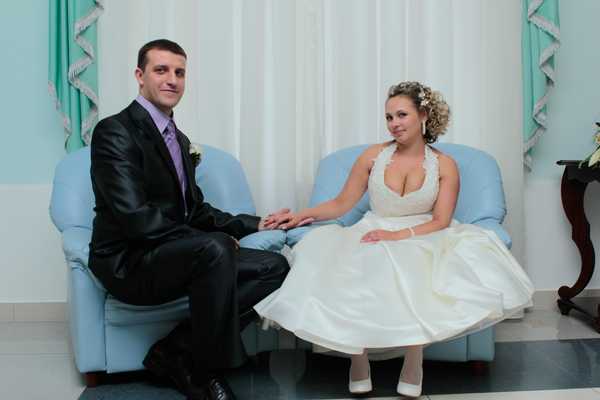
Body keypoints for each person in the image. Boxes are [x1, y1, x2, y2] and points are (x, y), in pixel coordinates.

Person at [254, 81, 534, 398]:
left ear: (423, 115)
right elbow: (341, 204)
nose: (394, 124)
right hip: (374, 228)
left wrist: (398, 235)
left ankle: (414, 363)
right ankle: (358, 362)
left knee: (413, 264)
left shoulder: (444, 165)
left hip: (424, 232)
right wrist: (299, 216)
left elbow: (441, 221)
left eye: (402, 115)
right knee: (349, 259)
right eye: (389, 117)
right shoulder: (373, 157)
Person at [89, 39, 290, 400]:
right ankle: (204, 371)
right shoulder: (114, 131)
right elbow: (134, 217)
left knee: (273, 267)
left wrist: (255, 224)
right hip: (129, 262)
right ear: (139, 75)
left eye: (179, 72)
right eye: (161, 70)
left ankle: (176, 351)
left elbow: (194, 210)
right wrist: (208, 243)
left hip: (173, 255)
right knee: (214, 248)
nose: (172, 80)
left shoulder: (178, 139)